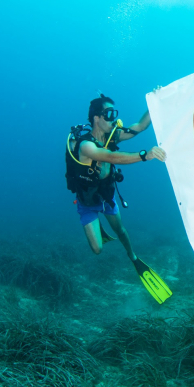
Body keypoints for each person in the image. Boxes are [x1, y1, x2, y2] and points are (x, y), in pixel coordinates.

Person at [65, 93, 172, 304]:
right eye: (109, 114)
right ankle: (97, 225)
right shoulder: (85, 145)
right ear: (96, 117)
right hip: (87, 200)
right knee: (97, 250)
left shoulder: (112, 135)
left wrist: (156, 101)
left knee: (121, 230)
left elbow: (140, 126)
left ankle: (132, 256)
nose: (114, 118)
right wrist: (145, 155)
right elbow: (111, 157)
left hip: (106, 194)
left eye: (115, 113)